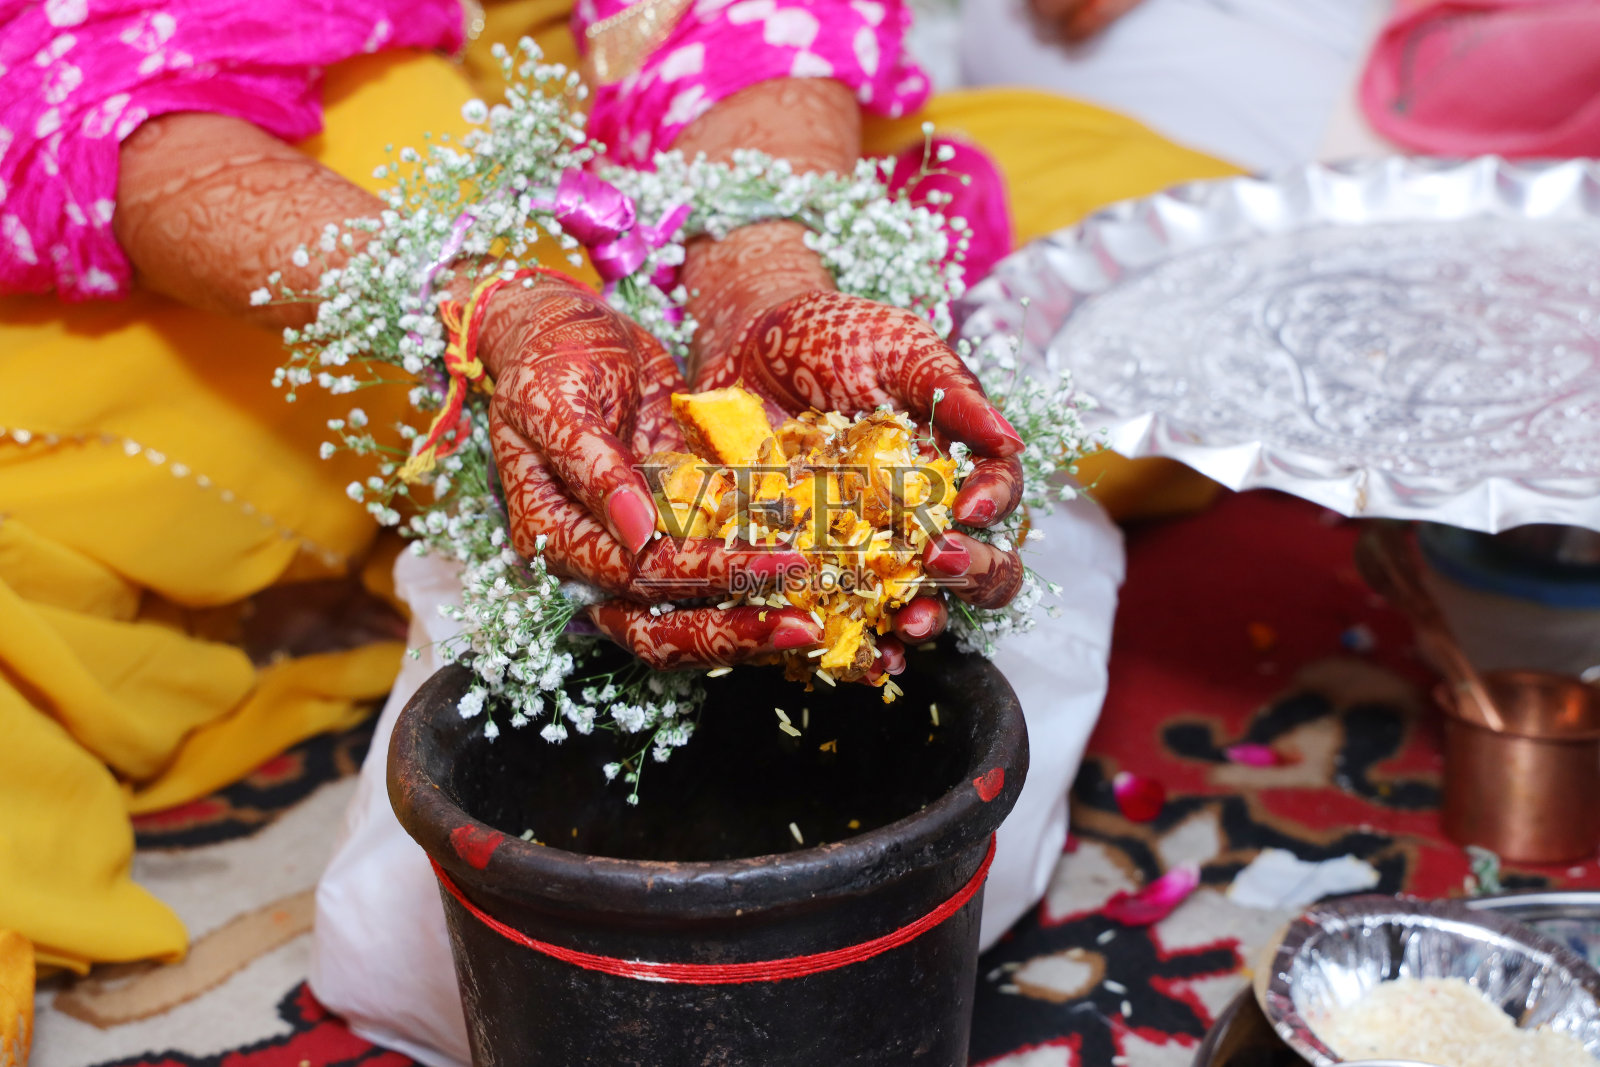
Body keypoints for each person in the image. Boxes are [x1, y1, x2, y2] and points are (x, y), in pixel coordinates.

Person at [0, 0, 1236, 1057]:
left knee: (1185, 258)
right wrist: (479, 305)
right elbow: (87, 81)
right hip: (271, 189)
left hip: (637, 117)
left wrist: (754, 271)